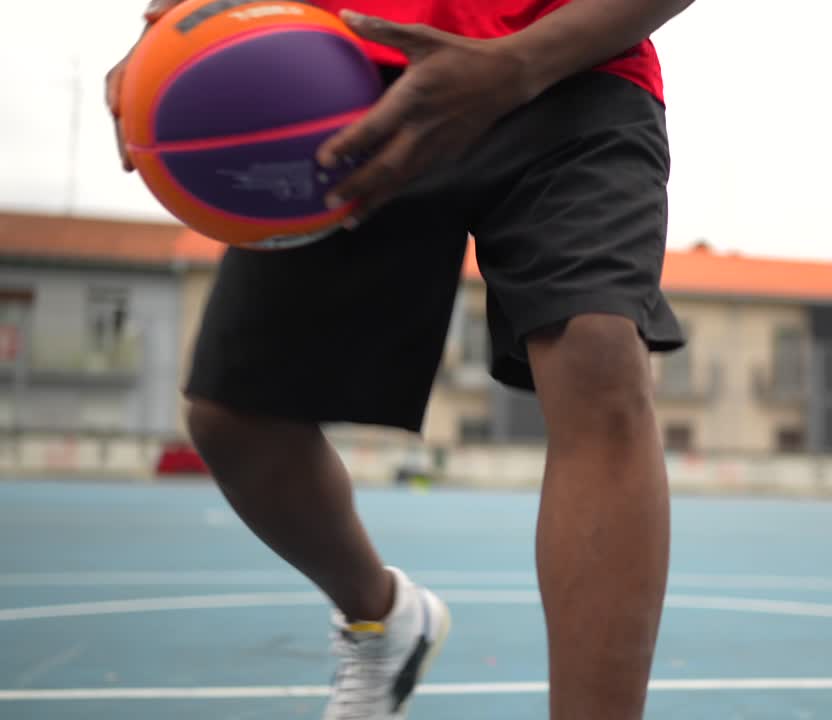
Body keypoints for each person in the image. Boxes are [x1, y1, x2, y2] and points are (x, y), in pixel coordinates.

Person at [105, 1, 693, 717]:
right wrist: (169, 39)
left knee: (598, 353)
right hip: (340, 72)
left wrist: (521, 62)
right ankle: (381, 616)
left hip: (576, 63)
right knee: (234, 422)